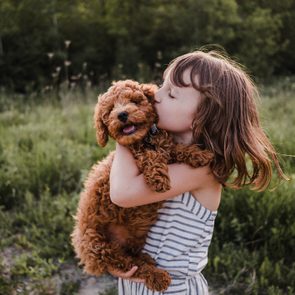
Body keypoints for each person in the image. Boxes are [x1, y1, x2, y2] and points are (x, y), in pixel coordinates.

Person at [108, 50, 287, 294]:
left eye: (171, 94)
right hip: (139, 282)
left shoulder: (202, 170)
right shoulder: (163, 154)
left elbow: (122, 193)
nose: (155, 95)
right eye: (162, 85)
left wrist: (124, 131)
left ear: (201, 118)